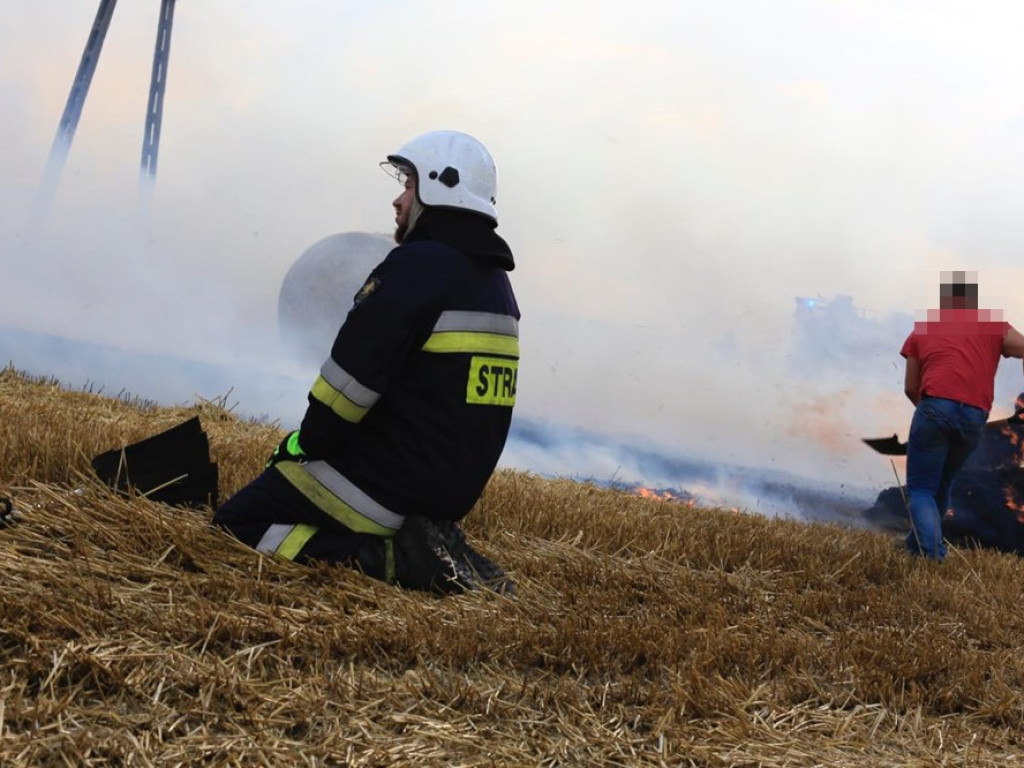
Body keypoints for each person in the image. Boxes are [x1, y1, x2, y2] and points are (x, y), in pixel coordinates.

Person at [214, 130, 520, 594]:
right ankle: (419, 541)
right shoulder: (497, 286)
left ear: (439, 188)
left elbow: (347, 387)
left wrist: (302, 446)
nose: (398, 200)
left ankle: (396, 560)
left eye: (409, 186)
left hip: (386, 487)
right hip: (448, 495)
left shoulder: (416, 267)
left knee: (237, 522)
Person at [900, 271, 1024, 560]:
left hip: (934, 408)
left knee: (921, 488)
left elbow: (910, 387)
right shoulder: (993, 326)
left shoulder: (923, 330)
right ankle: (917, 545)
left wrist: (932, 414)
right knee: (942, 485)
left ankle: (932, 555)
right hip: (974, 417)